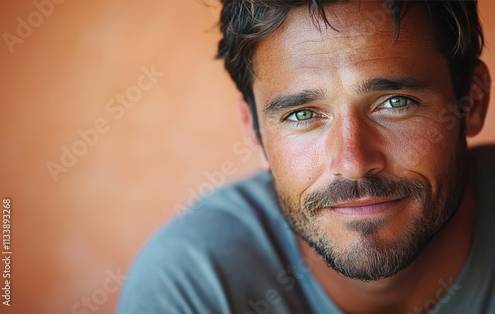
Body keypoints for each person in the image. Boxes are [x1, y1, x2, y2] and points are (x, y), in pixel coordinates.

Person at [118, 1, 495, 313]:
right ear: (255, 132)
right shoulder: (193, 283)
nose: (352, 161)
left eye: (395, 103)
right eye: (301, 114)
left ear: (472, 102)